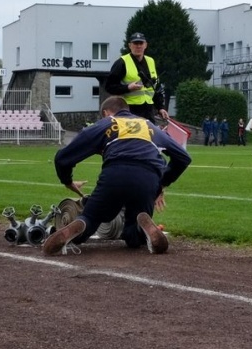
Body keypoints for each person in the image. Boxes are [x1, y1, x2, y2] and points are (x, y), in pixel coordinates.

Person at [42, 96, 192, 256]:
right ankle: (141, 228)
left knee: (92, 217)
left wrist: (68, 181)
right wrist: (162, 184)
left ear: (107, 113)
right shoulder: (149, 125)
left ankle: (82, 224)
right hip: (148, 177)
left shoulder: (106, 123)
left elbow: (62, 158)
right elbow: (183, 158)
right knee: (133, 236)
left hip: (115, 173)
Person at [104, 32, 163, 122]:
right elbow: (109, 87)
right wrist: (128, 88)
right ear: (130, 45)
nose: (138, 46)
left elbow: (155, 87)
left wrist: (160, 108)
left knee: (148, 135)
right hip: (129, 110)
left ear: (145, 45)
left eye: (141, 43)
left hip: (148, 111)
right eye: (135, 43)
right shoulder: (122, 62)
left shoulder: (150, 61)